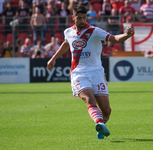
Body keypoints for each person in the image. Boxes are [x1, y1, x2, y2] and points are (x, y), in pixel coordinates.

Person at [47, 4, 135, 140]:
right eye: (79, 18)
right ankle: (99, 123)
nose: (82, 20)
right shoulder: (68, 32)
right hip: (79, 73)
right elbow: (66, 44)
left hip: (97, 73)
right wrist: (54, 58)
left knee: (106, 110)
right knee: (89, 99)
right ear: (73, 18)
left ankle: (101, 126)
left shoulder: (95, 31)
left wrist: (127, 35)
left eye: (84, 17)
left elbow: (115, 38)